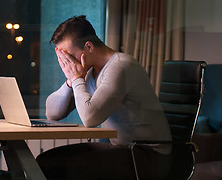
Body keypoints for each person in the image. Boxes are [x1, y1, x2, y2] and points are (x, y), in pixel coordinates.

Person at [36, 15, 172, 180]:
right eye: (64, 59)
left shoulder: (121, 66)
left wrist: (77, 79)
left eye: (70, 57)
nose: (68, 63)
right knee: (46, 162)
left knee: (74, 169)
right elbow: (52, 113)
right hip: (123, 148)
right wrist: (71, 81)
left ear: (89, 47)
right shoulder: (88, 70)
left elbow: (90, 119)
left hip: (149, 155)